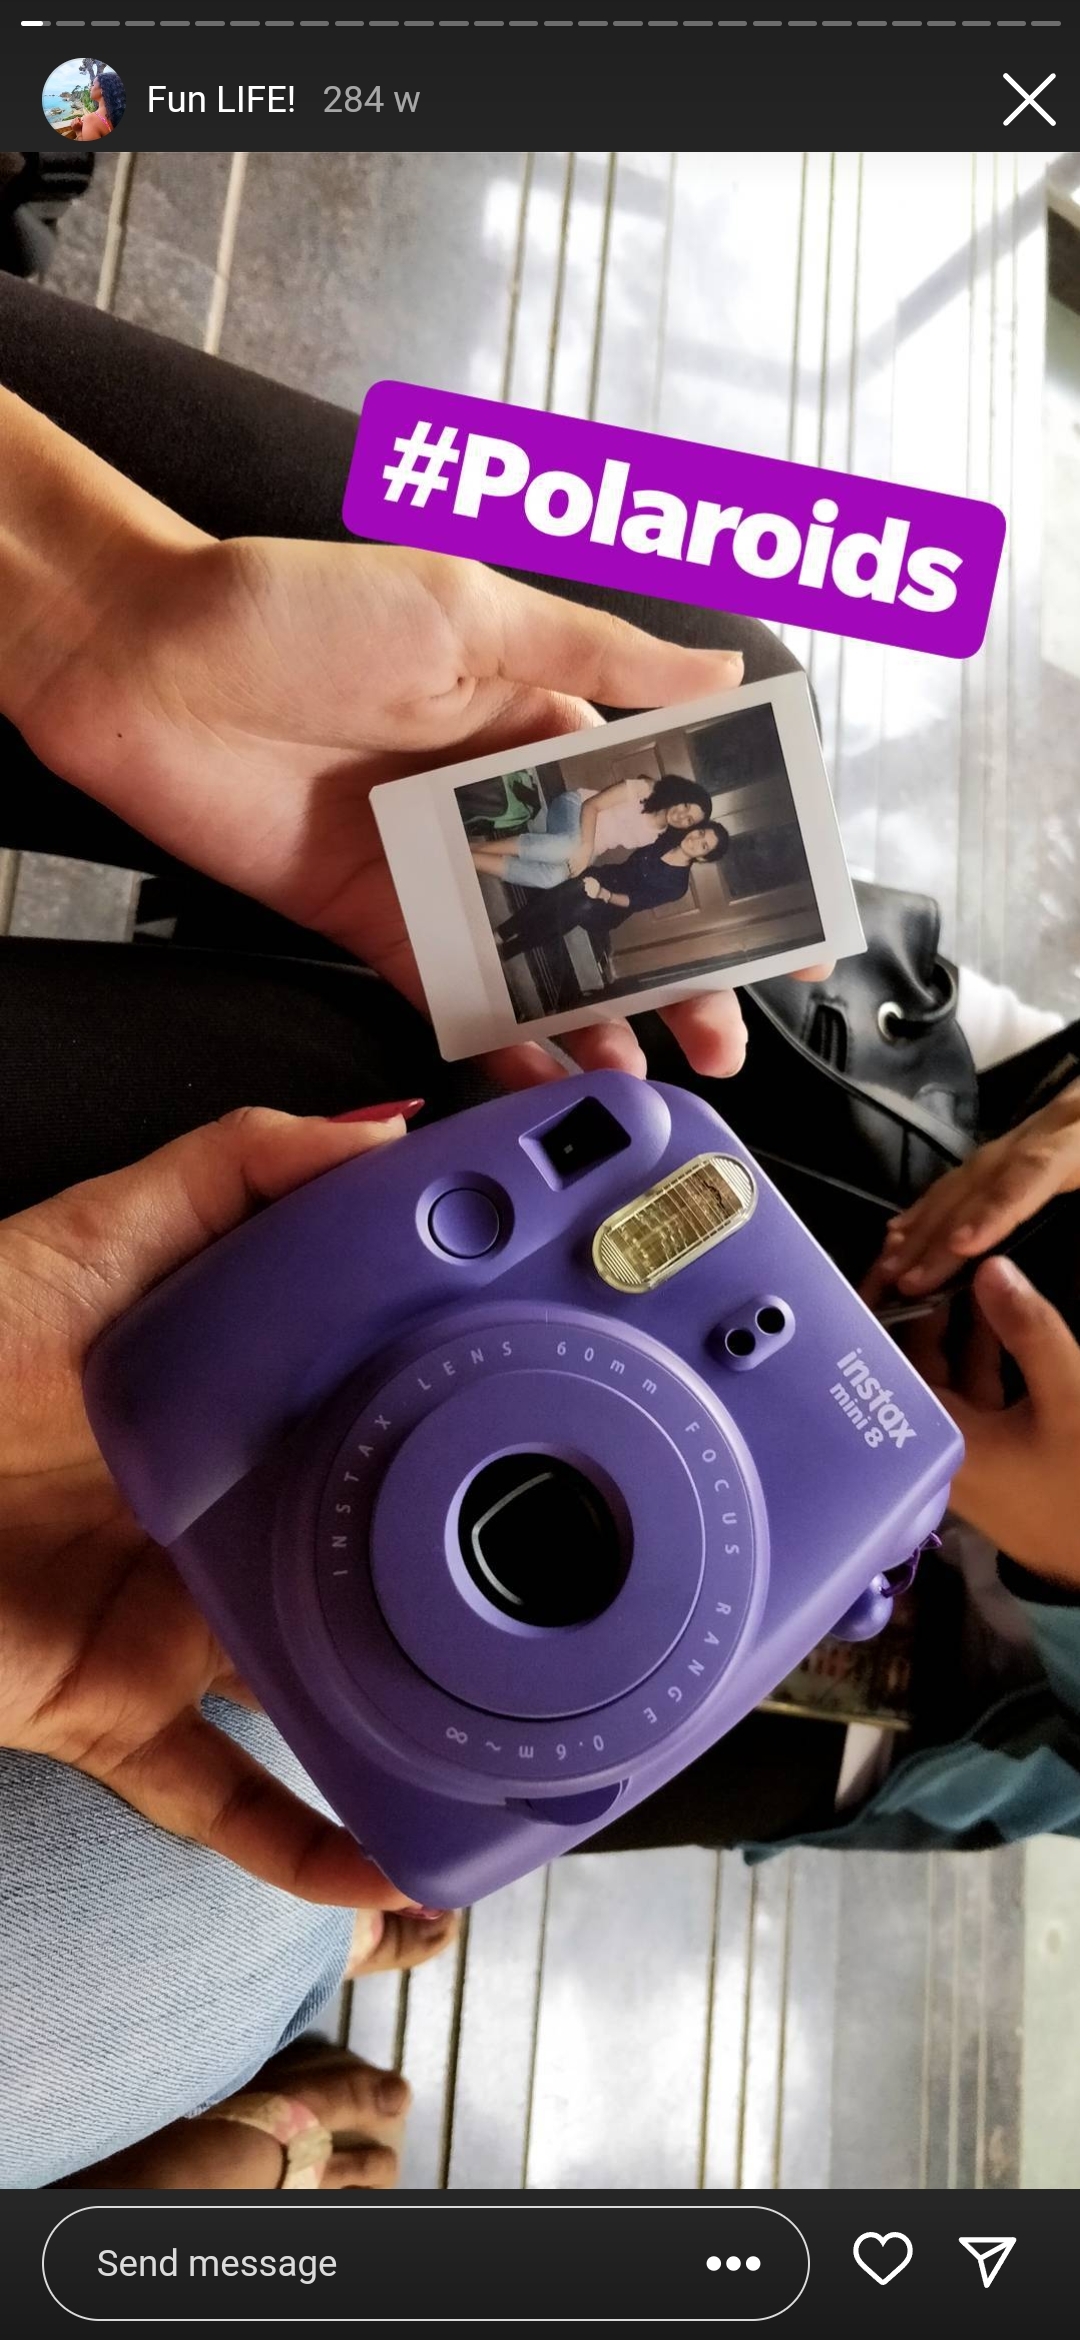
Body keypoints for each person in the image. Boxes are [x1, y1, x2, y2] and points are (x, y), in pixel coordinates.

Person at [495, 821, 731, 964]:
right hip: (605, 876)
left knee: (580, 906)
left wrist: (603, 894)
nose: (696, 840)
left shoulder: (677, 886)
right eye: (701, 833)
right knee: (575, 888)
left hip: (611, 907)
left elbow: (634, 902)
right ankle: (504, 933)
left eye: (703, 845)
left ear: (703, 858)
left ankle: (513, 948)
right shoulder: (668, 836)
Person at [470, 771, 716, 889]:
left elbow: (604, 845)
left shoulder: (659, 835)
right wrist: (585, 848)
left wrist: (586, 857)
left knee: (551, 879)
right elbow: (592, 806)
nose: (681, 815)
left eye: (689, 820)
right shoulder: (647, 789)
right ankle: (480, 847)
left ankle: (472, 860)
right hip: (575, 809)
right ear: (682, 795)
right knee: (568, 848)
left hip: (586, 846)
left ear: (688, 828)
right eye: (686, 806)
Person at [73, 70, 124, 142]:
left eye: (93, 85)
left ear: (103, 89)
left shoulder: (91, 120)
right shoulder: (119, 113)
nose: (90, 88)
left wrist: (78, 132)